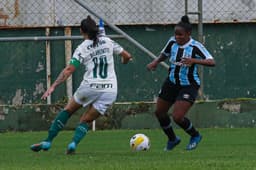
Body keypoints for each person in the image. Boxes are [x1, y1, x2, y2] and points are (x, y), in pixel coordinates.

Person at [30, 15, 132, 154]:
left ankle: (48, 141)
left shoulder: (82, 48)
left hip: (90, 86)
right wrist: (124, 62)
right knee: (86, 120)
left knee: (68, 111)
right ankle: (73, 143)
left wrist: (53, 86)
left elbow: (69, 70)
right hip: (110, 90)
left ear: (82, 31)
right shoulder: (108, 41)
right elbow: (126, 56)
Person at [147, 15, 215, 151]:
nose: (177, 37)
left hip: (189, 85)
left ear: (188, 34)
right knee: (160, 112)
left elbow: (211, 61)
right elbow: (165, 54)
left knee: (177, 117)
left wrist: (194, 60)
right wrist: (155, 62)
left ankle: (195, 135)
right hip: (171, 82)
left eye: (181, 35)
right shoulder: (172, 42)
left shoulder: (196, 46)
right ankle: (172, 139)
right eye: (176, 34)